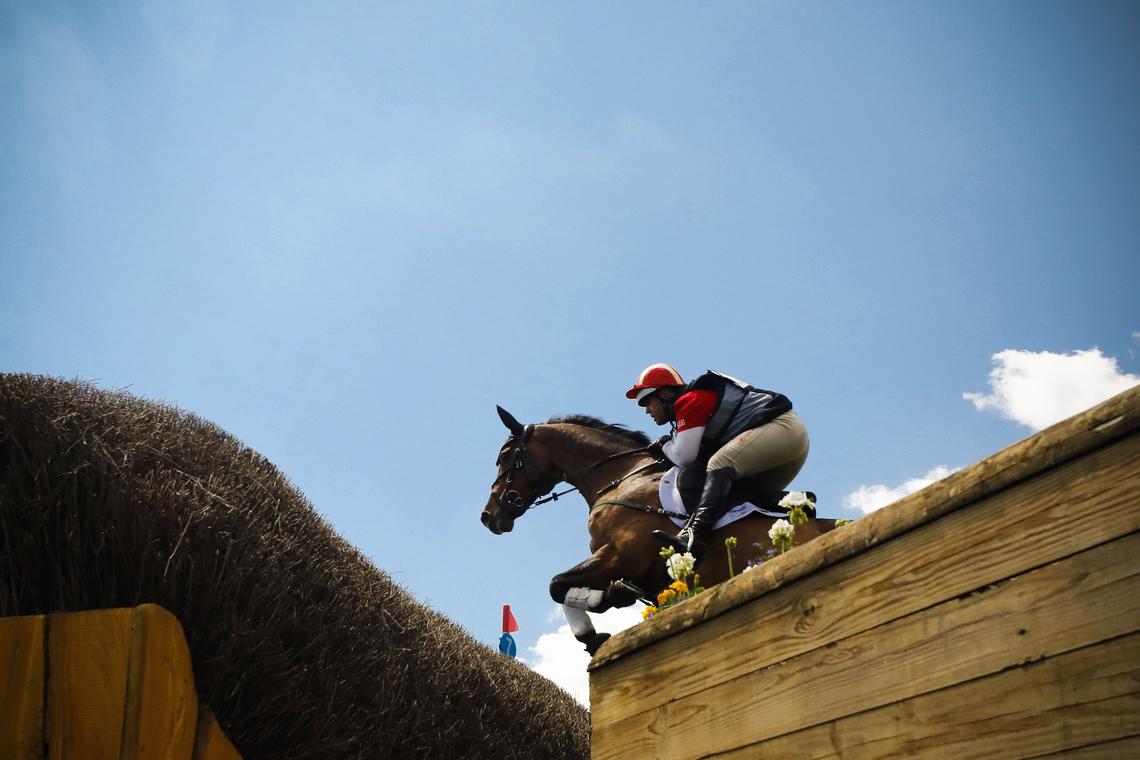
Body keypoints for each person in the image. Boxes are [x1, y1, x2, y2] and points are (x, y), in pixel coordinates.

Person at [626, 363, 810, 558]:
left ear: (664, 394)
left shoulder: (690, 400)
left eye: (646, 401)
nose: (646, 410)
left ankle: (694, 535)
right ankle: (792, 504)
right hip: (779, 449)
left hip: (782, 430)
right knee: (726, 492)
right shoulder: (686, 409)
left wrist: (664, 444)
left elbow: (685, 457)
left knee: (719, 464)